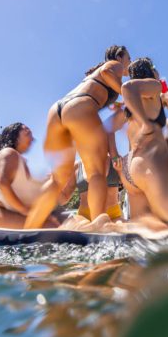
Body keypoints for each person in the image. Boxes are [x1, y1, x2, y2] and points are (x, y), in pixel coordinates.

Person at [25, 45, 131, 229]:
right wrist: (129, 96)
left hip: (58, 109)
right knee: (96, 172)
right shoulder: (115, 64)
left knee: (58, 179)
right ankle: (98, 227)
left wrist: (119, 101)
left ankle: (29, 227)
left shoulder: (92, 76)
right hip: (79, 106)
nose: (129, 63)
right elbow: (107, 71)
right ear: (120, 57)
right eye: (128, 58)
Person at [111, 57, 168, 229]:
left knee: (141, 232)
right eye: (154, 67)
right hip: (150, 165)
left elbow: (107, 129)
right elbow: (126, 87)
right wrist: (146, 122)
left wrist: (115, 156)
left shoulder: (128, 109)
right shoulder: (153, 85)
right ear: (148, 70)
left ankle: (106, 227)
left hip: (130, 170)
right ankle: (106, 226)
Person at [0, 123, 74, 229]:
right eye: (26, 130)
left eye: (32, 136)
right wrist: (27, 211)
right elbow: (3, 183)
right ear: (13, 134)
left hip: (11, 214)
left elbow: (62, 199)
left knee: (63, 223)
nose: (31, 137)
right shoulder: (8, 152)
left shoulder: (22, 163)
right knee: (51, 226)